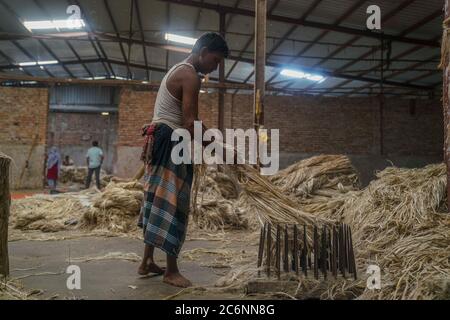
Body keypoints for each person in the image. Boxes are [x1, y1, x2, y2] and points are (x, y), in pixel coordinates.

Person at [138, 32, 229, 288]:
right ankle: (171, 270)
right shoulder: (190, 75)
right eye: (216, 60)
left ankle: (146, 262)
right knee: (174, 203)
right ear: (203, 52)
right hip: (172, 140)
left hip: (162, 139)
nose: (216, 66)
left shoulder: (177, 70)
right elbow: (190, 124)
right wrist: (220, 148)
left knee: (156, 200)